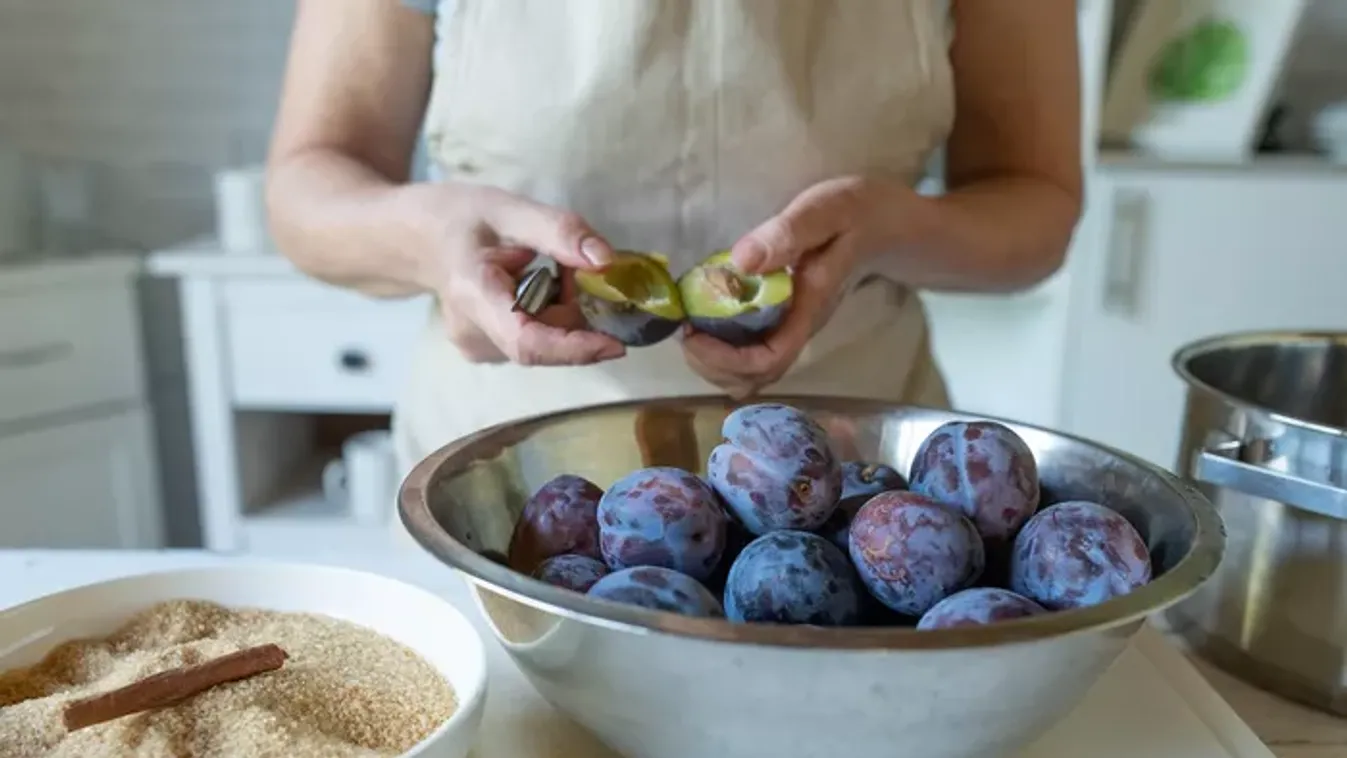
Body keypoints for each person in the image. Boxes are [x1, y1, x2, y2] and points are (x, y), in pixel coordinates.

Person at [265, 0, 1083, 482]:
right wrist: (434, 239)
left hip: (846, 470)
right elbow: (307, 187)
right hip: (506, 471)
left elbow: (1035, 204)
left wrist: (892, 229)